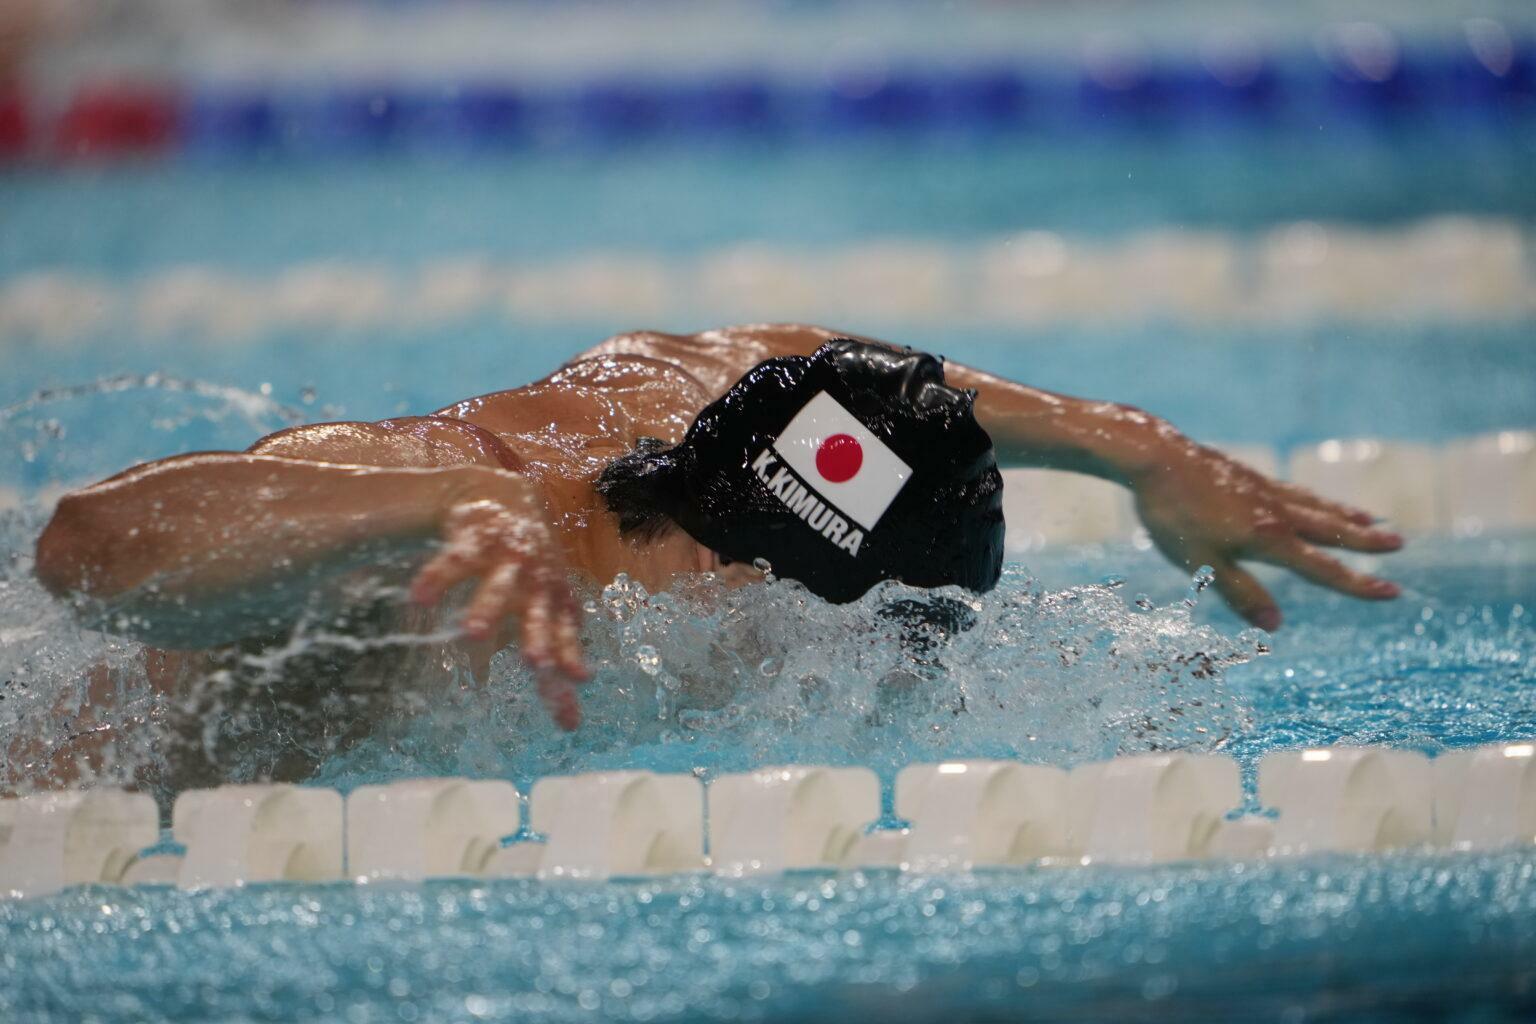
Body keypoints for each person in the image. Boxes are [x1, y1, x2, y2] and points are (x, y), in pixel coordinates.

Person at [25, 324, 1402, 789]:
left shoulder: (699, 400)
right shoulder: (461, 512)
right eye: (869, 631)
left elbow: (829, 367)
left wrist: (1127, 444)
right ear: (744, 578)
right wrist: (425, 509)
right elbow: (82, 546)